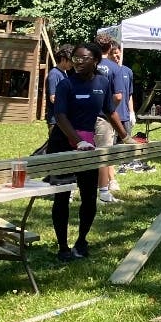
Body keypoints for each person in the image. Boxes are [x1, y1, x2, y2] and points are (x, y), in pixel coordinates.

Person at [49, 42, 124, 262]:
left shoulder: (102, 82)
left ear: (96, 61)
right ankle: (63, 247)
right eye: (76, 59)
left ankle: (82, 240)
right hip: (64, 143)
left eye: (84, 59)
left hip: (88, 146)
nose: (79, 63)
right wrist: (77, 141)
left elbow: (110, 111)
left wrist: (126, 136)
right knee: (62, 197)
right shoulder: (65, 84)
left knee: (89, 196)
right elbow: (60, 116)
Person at [93, 35, 123, 204]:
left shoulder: (88, 64)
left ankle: (72, 189)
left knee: (81, 152)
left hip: (84, 115)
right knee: (104, 154)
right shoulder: (115, 68)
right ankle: (103, 192)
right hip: (104, 118)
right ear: (110, 47)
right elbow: (118, 96)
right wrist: (109, 109)